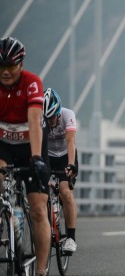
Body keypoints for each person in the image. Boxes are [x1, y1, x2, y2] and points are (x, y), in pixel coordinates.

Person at [0, 36, 51, 276]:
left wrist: (37, 158)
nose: (5, 71)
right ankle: (7, 215)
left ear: (20, 64)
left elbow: (34, 120)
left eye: (10, 65)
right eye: (0, 67)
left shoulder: (32, 82)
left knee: (39, 210)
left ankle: (40, 275)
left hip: (31, 145)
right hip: (4, 146)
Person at [43, 88, 79, 253]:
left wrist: (71, 164)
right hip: (48, 155)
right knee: (40, 194)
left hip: (65, 155)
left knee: (65, 191)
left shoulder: (67, 114)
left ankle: (71, 238)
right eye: (47, 119)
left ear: (58, 113)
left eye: (52, 118)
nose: (50, 122)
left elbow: (70, 140)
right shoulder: (39, 118)